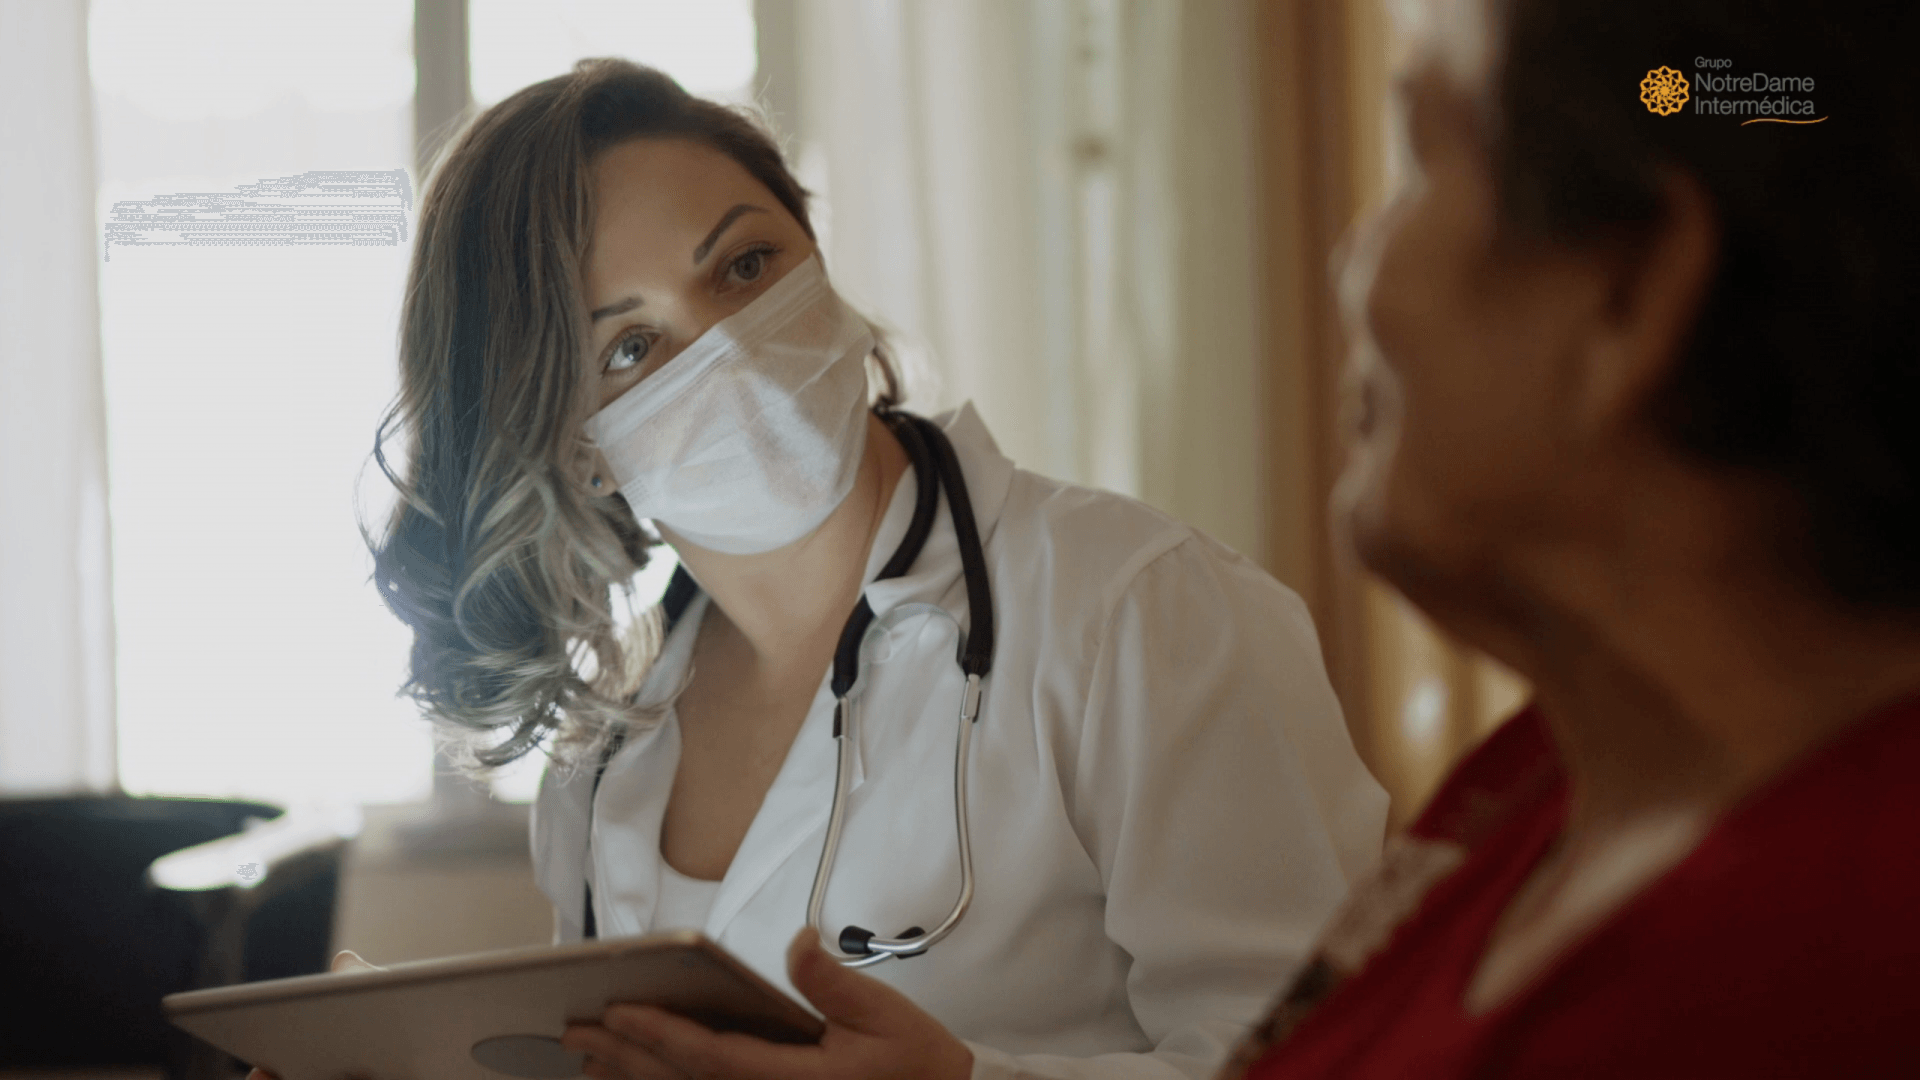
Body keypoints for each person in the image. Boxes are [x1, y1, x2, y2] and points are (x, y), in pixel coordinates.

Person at [334, 58, 1387, 1080]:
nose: (733, 351)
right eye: (630, 349)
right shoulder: (604, 756)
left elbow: (1349, 1062)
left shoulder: (1140, 613)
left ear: (818, 261)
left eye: (746, 265)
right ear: (573, 450)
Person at [1218, 0, 1920, 1075]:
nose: (1351, 263)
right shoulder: (1544, 774)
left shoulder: (1831, 969)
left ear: (1632, 291)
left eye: (1420, 159)